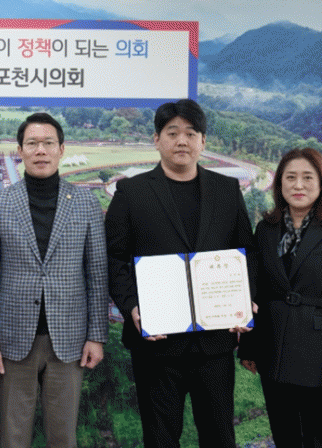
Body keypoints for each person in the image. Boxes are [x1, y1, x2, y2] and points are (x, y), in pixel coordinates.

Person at [105, 99, 255, 448]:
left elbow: (247, 254)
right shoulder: (131, 193)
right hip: (157, 343)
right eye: (172, 133)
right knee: (160, 438)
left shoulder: (227, 190)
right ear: (157, 140)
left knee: (220, 436)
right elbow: (113, 259)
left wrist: (245, 301)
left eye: (190, 133)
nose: (182, 141)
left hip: (214, 340)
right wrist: (131, 307)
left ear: (203, 141)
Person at [0, 112, 108, 448]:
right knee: (13, 437)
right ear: (20, 151)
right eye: (32, 143)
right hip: (12, 340)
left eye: (48, 143)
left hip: (69, 340)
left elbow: (96, 275)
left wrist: (96, 336)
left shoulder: (86, 203)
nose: (40, 150)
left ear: (61, 149)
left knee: (63, 437)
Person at [238, 148, 322, 448]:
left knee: (318, 436)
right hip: (273, 348)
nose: (298, 185)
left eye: (307, 177)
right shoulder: (266, 230)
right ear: (280, 184)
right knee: (284, 435)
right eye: (290, 177)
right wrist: (249, 346)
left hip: (320, 352)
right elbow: (256, 290)